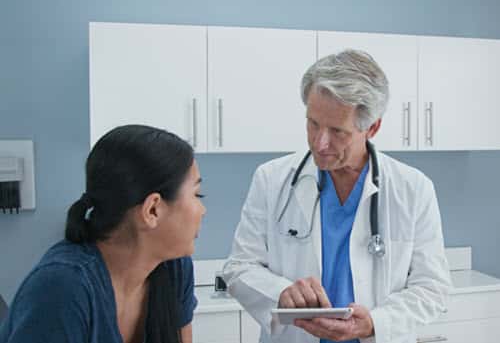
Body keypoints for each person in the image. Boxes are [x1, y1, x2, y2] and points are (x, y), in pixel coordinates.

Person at [223, 50, 452, 343]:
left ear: (372, 127)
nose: (320, 142)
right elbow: (239, 268)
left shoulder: (413, 189)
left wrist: (375, 323)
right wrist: (280, 291)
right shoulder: (271, 179)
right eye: (313, 123)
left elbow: (432, 287)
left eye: (337, 131)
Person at [0, 125, 206, 343]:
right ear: (152, 209)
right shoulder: (63, 287)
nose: (203, 210)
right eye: (196, 194)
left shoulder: (173, 268)